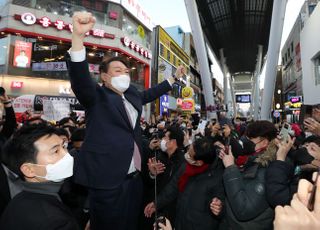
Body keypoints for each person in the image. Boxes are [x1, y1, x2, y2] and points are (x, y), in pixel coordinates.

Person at [68, 12, 185, 230]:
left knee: (132, 223)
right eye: (117, 70)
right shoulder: (96, 97)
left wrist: (174, 78)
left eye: (126, 71)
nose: (124, 74)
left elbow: (152, 92)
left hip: (134, 179)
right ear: (104, 76)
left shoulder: (132, 95)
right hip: (107, 181)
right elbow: (81, 80)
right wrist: (77, 38)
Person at [0, 124, 79, 230]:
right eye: (56, 151)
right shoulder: (55, 222)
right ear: (29, 170)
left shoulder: (18, 200)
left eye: (64, 146)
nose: (66, 154)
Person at [144, 137, 224, 230]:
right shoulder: (186, 166)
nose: (186, 156)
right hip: (180, 220)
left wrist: (219, 209)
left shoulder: (218, 178)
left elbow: (223, 207)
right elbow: (172, 187)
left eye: (190, 155)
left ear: (199, 162)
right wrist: (156, 203)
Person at [219, 120, 278, 230]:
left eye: (250, 139)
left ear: (264, 142)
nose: (245, 142)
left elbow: (243, 210)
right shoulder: (248, 160)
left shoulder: (268, 169)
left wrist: (230, 168)